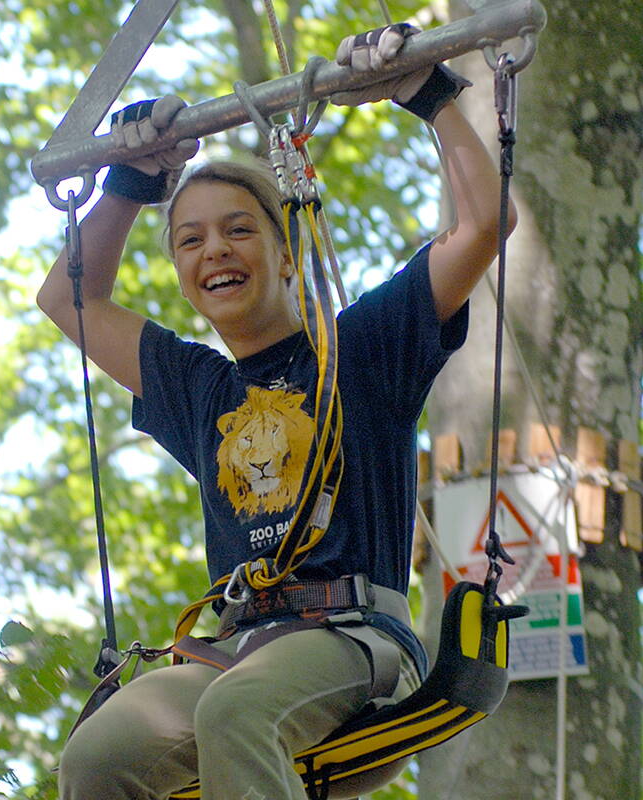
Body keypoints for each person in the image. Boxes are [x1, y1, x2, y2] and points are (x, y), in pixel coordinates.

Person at [37, 24, 516, 800]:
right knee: (96, 758)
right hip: (239, 650)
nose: (214, 251)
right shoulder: (198, 388)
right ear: (182, 275)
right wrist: (130, 185)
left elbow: (484, 227)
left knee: (237, 712)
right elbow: (69, 299)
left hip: (353, 648)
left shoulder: (360, 348)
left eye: (237, 230)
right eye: (190, 241)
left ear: (286, 253)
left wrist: (429, 97)